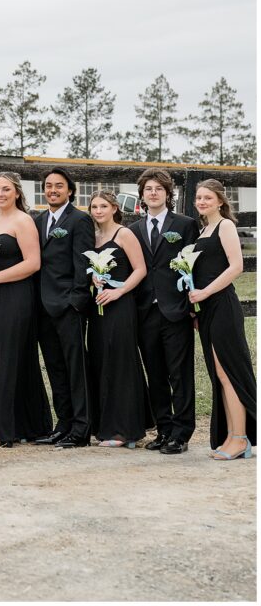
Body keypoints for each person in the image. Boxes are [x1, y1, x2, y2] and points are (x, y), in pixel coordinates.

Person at [0, 171, 52, 448]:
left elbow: (33, 263)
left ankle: (3, 431)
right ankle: (22, 425)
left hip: (16, 295)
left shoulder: (23, 221)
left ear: (17, 192)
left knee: (8, 358)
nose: (0, 194)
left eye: (6, 189)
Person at [130, 168, 200, 455]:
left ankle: (182, 433)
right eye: (149, 189)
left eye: (159, 188)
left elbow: (196, 265)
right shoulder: (133, 230)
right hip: (145, 311)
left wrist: (194, 308)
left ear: (168, 194)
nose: (154, 193)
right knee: (155, 373)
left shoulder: (184, 225)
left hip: (176, 310)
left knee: (179, 374)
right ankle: (164, 429)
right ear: (142, 196)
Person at [189, 179, 256, 460]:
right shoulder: (203, 229)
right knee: (219, 374)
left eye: (208, 197)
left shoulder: (225, 226)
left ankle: (240, 438)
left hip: (223, 306)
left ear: (220, 201)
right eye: (199, 198)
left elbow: (237, 266)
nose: (202, 202)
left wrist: (205, 291)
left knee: (229, 372)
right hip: (206, 309)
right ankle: (230, 435)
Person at [34, 168, 95, 449]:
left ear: (70, 190)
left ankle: (82, 429)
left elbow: (83, 265)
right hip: (43, 307)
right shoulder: (39, 220)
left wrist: (76, 302)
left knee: (75, 368)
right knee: (55, 367)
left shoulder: (80, 220)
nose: (53, 190)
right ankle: (64, 424)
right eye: (48, 186)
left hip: (68, 306)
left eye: (59, 186)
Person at [86, 191, 147, 448]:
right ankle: (104, 425)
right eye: (94, 207)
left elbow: (141, 269)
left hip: (121, 304)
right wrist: (94, 279)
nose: (98, 211)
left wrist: (119, 291)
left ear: (114, 208)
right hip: (98, 306)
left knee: (120, 361)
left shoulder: (124, 234)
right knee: (100, 360)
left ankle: (124, 429)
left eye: (103, 206)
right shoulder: (93, 237)